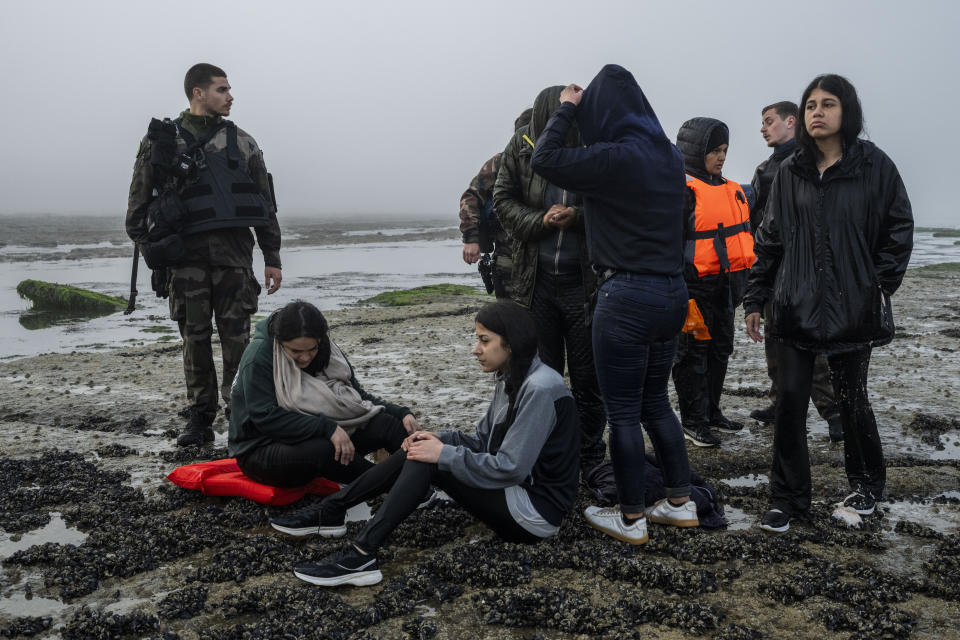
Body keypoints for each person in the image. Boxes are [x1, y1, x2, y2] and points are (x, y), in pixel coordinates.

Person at [289, 301, 580, 586]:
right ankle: (333, 509)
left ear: (511, 343)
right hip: (514, 493)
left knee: (426, 460)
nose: (475, 349)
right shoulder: (512, 377)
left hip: (534, 514)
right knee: (420, 446)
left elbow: (511, 468)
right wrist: (439, 439)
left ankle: (361, 554)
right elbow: (481, 441)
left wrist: (442, 454)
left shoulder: (540, 388)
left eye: (484, 340)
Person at [529, 64, 699, 544]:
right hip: (671, 293)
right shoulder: (667, 155)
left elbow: (545, 158)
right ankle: (679, 503)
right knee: (655, 404)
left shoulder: (612, 157)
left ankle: (629, 518)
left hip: (625, 296)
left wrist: (565, 107)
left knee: (623, 413)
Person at [744, 74, 913, 533]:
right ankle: (787, 499)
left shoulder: (874, 166)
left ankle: (865, 488)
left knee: (852, 401)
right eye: (812, 104)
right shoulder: (789, 172)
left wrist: (876, 287)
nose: (818, 111)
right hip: (793, 308)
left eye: (829, 104)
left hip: (851, 311)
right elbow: (770, 240)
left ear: (847, 112)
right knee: (790, 404)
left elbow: (898, 230)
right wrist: (756, 296)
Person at [126, 63, 283, 446]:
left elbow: (264, 204)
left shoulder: (244, 143)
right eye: (222, 89)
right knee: (194, 339)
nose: (230, 96)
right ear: (198, 93)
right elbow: (137, 205)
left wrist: (272, 256)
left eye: (229, 90)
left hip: (234, 259)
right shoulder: (161, 142)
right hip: (185, 261)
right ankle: (199, 418)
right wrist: (154, 245)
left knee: (237, 339)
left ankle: (240, 411)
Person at [494, 86, 606, 480]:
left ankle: (591, 454)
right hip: (536, 282)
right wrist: (540, 221)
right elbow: (502, 200)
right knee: (541, 375)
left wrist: (576, 216)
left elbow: (613, 202)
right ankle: (546, 452)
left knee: (588, 375)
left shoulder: (594, 147)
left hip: (584, 284)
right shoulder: (520, 146)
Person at [228, 300, 420, 489]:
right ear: (280, 341)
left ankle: (427, 475)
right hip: (260, 450)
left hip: (322, 433)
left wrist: (401, 412)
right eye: (295, 351)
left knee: (387, 424)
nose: (304, 357)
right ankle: (395, 486)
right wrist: (326, 427)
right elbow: (265, 417)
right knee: (323, 449)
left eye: (311, 349)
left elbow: (357, 396)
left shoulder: (327, 349)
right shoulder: (259, 357)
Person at [748, 102, 843, 441]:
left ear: (791, 122)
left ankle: (834, 414)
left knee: (811, 346)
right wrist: (754, 290)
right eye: (761, 123)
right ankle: (780, 404)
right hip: (773, 270)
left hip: (807, 272)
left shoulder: (810, 163)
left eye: (768, 121)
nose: (763, 128)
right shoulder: (763, 170)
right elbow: (756, 226)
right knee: (775, 344)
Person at [671, 118, 754, 448]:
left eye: (724, 151)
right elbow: (668, 244)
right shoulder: (680, 191)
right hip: (691, 289)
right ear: (694, 152)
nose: (721, 157)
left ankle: (712, 411)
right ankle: (692, 420)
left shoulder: (731, 190)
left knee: (721, 350)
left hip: (725, 287)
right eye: (714, 151)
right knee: (693, 356)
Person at [459, 109, 533, 299]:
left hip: (544, 259)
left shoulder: (553, 158)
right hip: (507, 257)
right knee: (508, 318)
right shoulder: (499, 162)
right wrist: (471, 239)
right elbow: (470, 197)